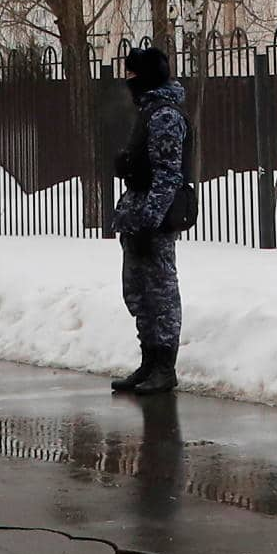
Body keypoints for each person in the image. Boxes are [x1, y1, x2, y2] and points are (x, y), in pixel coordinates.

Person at [108, 46, 190, 395]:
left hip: (152, 219)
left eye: (132, 76)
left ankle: (164, 368)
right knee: (138, 293)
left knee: (161, 294)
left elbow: (168, 176)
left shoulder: (165, 116)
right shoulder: (149, 112)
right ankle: (148, 361)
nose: (127, 83)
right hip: (137, 214)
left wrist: (148, 222)